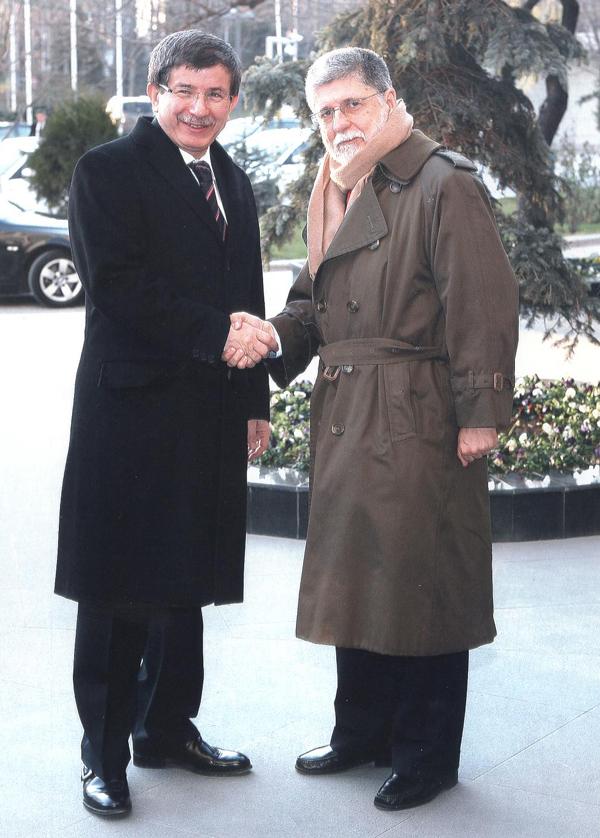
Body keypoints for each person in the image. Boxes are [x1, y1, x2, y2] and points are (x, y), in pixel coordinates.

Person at [226, 47, 519, 811]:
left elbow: (482, 305)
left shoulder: (442, 183)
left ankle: (425, 755)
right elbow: (310, 305)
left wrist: (480, 414)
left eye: (351, 104)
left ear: (390, 100)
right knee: (357, 580)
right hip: (349, 416)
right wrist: (271, 339)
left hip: (416, 412)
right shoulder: (335, 188)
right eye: (325, 112)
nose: (339, 123)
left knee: (421, 585)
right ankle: (361, 733)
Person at [54, 30, 277, 817]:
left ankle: (168, 731)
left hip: (212, 412)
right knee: (118, 590)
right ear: (155, 92)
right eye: (185, 90)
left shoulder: (234, 181)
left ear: (232, 101)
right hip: (131, 413)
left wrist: (256, 398)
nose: (200, 107)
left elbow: (246, 290)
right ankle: (104, 755)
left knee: (186, 584)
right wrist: (215, 334)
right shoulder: (106, 172)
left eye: (216, 93)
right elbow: (116, 286)